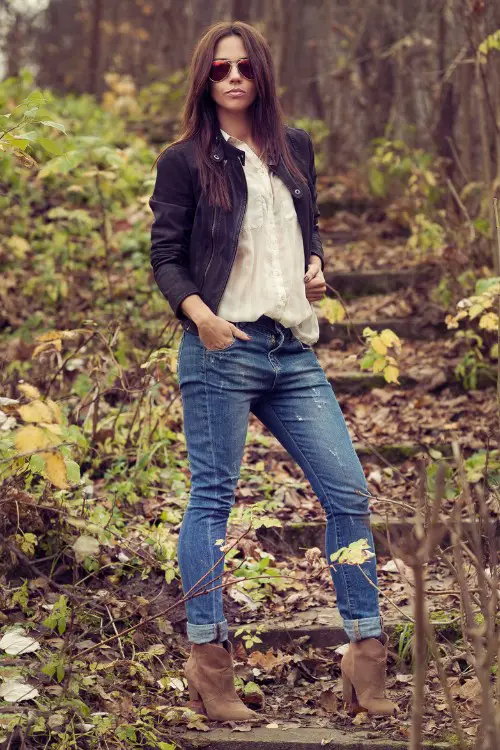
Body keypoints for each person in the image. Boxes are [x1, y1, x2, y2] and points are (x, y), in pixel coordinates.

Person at [148, 20, 398, 723]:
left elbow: (304, 233)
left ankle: (364, 648)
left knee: (348, 492)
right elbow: (166, 256)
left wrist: (315, 270)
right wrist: (201, 317)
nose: (233, 77)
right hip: (221, 347)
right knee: (212, 500)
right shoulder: (185, 159)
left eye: (245, 67)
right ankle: (210, 661)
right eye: (220, 68)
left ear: (262, 76)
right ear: (205, 79)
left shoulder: (294, 148)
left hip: (292, 351)